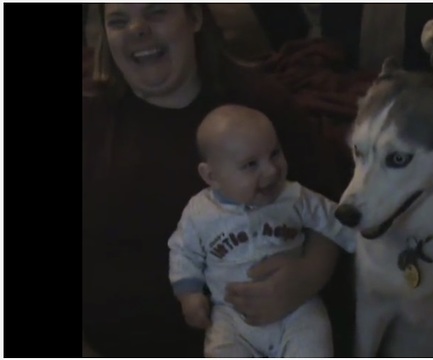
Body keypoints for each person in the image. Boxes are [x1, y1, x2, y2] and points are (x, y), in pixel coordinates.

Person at [83, 4, 349, 357]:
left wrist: (307, 277)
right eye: (118, 21)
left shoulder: (258, 106)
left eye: (156, 12)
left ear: (194, 18)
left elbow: (335, 214)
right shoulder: (92, 121)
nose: (137, 29)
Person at [169, 105, 355, 357]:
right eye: (250, 164)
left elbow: (337, 222)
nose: (271, 170)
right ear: (211, 176)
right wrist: (189, 295)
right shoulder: (199, 212)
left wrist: (373, 245)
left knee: (314, 343)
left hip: (298, 309)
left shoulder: (294, 197)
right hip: (232, 317)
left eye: (275, 153)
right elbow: (183, 251)